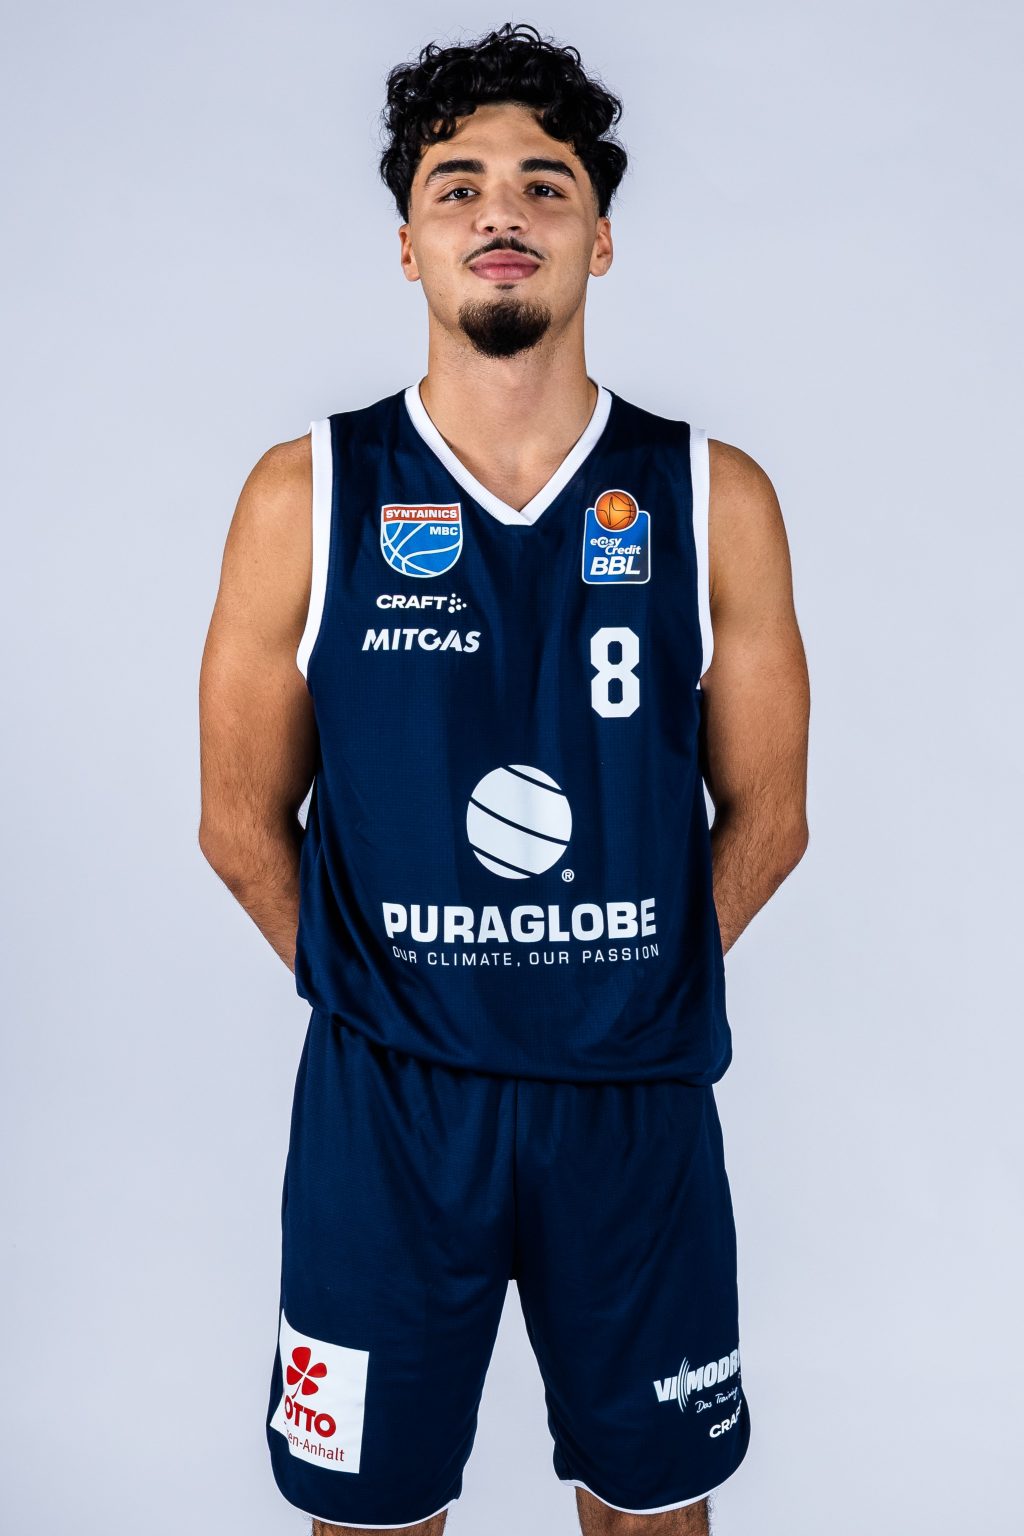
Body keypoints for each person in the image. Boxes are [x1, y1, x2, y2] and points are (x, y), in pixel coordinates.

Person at [198, 21, 809, 1536]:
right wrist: (390, 994)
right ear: (408, 243)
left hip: (633, 1107)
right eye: (456, 185)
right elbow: (237, 822)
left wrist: (628, 989)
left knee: (654, 1505)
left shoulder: (712, 496)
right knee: (370, 1511)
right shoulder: (307, 492)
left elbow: (774, 816)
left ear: (600, 238)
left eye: (546, 184)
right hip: (390, 1108)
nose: (501, 213)